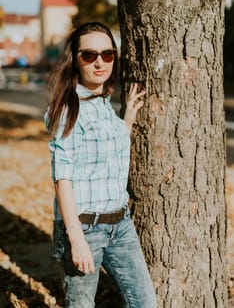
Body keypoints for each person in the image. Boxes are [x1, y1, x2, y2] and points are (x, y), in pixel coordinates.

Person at [45, 21, 157, 308]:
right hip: (83, 227)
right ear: (76, 60)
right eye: (89, 55)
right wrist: (76, 239)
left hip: (120, 224)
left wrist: (128, 118)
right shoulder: (68, 109)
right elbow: (62, 179)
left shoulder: (103, 102)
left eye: (107, 55)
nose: (99, 63)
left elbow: (112, 151)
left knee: (144, 303)